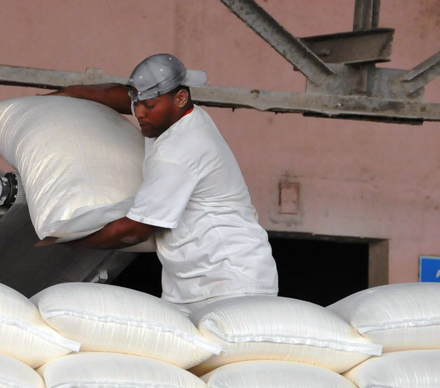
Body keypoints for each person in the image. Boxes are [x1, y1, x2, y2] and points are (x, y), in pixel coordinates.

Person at [52, 53, 278, 315]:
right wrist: (70, 93)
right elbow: (120, 96)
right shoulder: (179, 116)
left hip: (231, 280)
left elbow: (134, 231)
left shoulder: (178, 151)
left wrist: (66, 241)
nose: (138, 113)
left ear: (180, 98)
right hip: (190, 283)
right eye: (137, 104)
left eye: (148, 106)